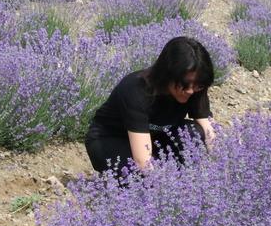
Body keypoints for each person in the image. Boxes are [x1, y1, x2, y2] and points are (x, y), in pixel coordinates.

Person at [84, 36, 217, 174]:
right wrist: (167, 184)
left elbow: (209, 130)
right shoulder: (136, 90)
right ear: (168, 74)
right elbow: (143, 162)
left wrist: (216, 171)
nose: (190, 91)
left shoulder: (195, 86)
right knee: (135, 174)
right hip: (111, 139)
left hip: (154, 138)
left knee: (194, 133)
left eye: (198, 85)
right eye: (184, 84)